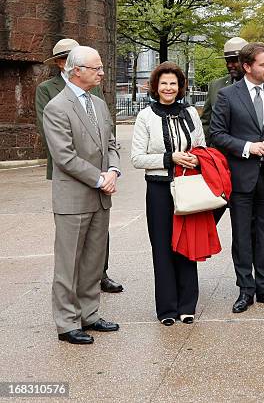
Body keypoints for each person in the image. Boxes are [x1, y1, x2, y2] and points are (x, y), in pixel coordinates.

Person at [210, 42, 264, 313]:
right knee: (242, 236)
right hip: (241, 177)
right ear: (247, 67)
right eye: (263, 64)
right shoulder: (227, 95)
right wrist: (248, 148)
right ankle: (245, 290)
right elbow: (217, 134)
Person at [43, 46, 121, 344]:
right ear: (76, 70)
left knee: (92, 261)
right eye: (96, 68)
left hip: (101, 195)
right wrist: (100, 178)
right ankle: (67, 323)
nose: (101, 72)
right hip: (74, 197)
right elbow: (64, 156)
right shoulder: (57, 107)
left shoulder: (99, 104)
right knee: (68, 264)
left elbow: (112, 144)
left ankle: (89, 314)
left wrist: (113, 172)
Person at [131, 61, 206, 326]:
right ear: (155, 86)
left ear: (180, 87)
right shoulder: (145, 117)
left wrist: (195, 160)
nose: (168, 88)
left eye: (173, 83)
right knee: (162, 247)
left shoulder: (191, 113)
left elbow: (201, 147)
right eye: (164, 83)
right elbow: (137, 158)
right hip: (159, 189)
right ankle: (166, 309)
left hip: (188, 188)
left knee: (187, 245)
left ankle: (188, 305)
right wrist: (170, 158)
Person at [200, 37, 249, 141]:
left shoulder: (261, 86)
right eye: (227, 61)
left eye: (234, 61)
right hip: (220, 152)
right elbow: (206, 121)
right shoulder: (215, 86)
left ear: (247, 61)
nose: (230, 65)